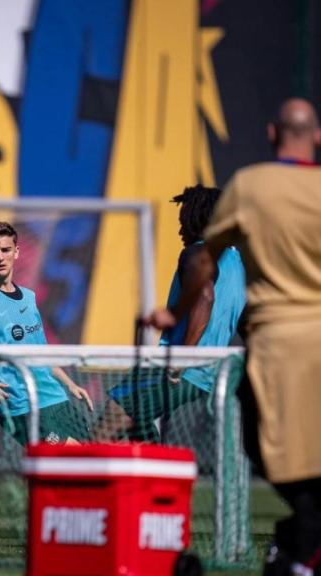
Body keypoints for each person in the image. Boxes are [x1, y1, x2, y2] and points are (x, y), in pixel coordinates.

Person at [146, 98, 321, 576]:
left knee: (261, 448)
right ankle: (299, 544)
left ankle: (302, 543)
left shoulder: (250, 187)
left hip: (277, 344)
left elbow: (203, 261)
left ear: (271, 134)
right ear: (318, 137)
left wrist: (172, 314)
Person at [96, 185, 245, 443]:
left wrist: (181, 361)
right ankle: (159, 480)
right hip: (208, 372)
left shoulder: (197, 253)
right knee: (137, 429)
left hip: (178, 367)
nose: (180, 230)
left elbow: (205, 296)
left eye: (183, 222)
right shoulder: (237, 263)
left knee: (105, 428)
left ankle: (76, 481)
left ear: (198, 219)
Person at [0, 221, 92, 445]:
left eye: (5, 250)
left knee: (91, 458)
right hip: (22, 406)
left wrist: (68, 383)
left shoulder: (28, 297)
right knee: (66, 461)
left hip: (55, 396)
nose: (0, 257)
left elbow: (39, 354)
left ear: (16, 252)